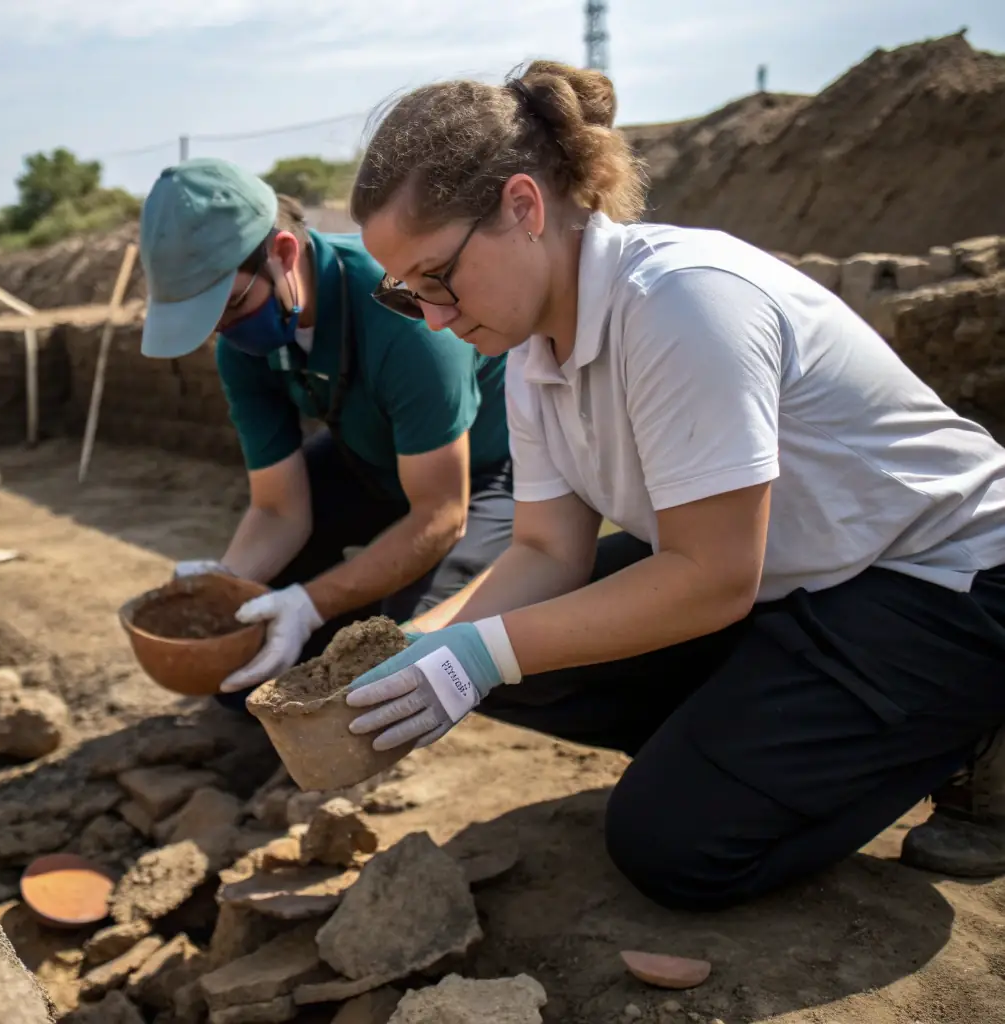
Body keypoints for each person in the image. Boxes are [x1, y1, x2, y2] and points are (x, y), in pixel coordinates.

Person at [340, 60, 1005, 910]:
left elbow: (712, 575)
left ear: (522, 207)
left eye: (437, 278)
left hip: (940, 582)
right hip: (799, 577)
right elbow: (546, 550)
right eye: (406, 297)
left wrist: (480, 655)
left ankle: (962, 730)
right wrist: (418, 649)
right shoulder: (531, 354)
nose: (432, 317)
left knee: (674, 847)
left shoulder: (681, 303)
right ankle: (771, 738)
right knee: (520, 658)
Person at [138, 157, 514, 704]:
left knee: (400, 650)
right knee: (238, 641)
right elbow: (277, 510)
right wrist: (224, 583)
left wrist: (309, 604)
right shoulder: (245, 342)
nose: (230, 333)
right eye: (213, 324)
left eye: (235, 305)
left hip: (477, 479)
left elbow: (440, 514)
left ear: (284, 254)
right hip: (371, 460)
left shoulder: (401, 317)